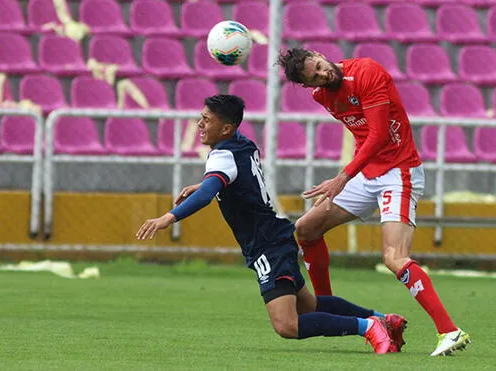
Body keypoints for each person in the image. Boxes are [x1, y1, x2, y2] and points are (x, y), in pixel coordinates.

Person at [136, 94, 407, 354]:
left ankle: (369, 327)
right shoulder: (243, 143)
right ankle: (384, 319)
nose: (199, 124)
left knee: (287, 325)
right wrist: (205, 183)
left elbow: (208, 194)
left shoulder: (221, 156)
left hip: (266, 243)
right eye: (201, 117)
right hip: (277, 236)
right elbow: (238, 179)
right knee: (309, 306)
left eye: (206, 119)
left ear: (227, 128)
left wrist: (168, 217)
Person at [277, 49, 471, 356]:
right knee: (306, 229)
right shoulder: (322, 96)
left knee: (394, 257)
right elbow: (362, 133)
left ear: (320, 55)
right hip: (366, 173)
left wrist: (343, 176)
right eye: (313, 77)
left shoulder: (367, 72)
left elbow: (379, 134)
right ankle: (328, 313)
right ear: (306, 84)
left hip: (398, 170)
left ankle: (449, 330)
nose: (323, 75)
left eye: (319, 67)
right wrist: (352, 175)